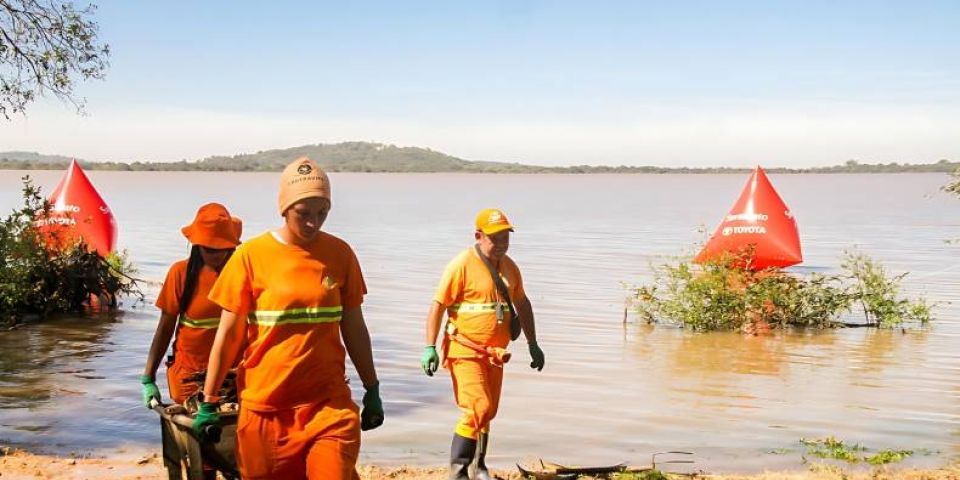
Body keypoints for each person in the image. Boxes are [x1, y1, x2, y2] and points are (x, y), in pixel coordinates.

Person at [193, 157, 384, 480]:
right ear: (284, 208)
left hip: (329, 405)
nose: (313, 223)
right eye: (303, 213)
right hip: (266, 409)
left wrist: (372, 387)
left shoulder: (340, 254)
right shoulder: (250, 257)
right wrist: (209, 400)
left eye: (322, 212)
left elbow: (354, 327)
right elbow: (228, 336)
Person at [421, 208, 546, 480]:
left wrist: (533, 342)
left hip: (496, 354)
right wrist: (429, 346)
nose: (501, 244)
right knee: (477, 407)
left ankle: (479, 466)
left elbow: (522, 303)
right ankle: (458, 472)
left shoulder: (510, 267)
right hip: (464, 350)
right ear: (478, 236)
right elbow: (438, 305)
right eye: (494, 238)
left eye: (505, 238)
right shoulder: (461, 264)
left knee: (488, 411)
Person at [141, 202, 242, 408]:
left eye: (223, 249)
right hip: (190, 378)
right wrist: (148, 378)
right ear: (197, 246)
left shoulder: (243, 274)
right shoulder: (180, 273)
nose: (217, 255)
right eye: (209, 249)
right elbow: (165, 328)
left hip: (232, 379)